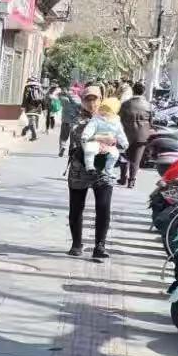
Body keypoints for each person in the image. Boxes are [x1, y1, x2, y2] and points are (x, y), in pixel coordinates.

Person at [66, 84, 125, 260]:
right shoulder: (77, 118)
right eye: (88, 99)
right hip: (80, 167)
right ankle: (76, 244)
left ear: (101, 99)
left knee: (103, 207)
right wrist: (102, 137)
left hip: (103, 169)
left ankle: (100, 246)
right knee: (76, 207)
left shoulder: (112, 117)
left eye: (95, 99)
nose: (91, 103)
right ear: (82, 101)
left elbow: (120, 139)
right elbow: (79, 136)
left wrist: (113, 142)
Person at [80, 97, 127, 177]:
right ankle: (90, 167)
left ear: (113, 111)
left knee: (114, 155)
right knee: (90, 150)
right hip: (96, 140)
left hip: (109, 143)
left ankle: (109, 170)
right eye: (103, 109)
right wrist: (86, 135)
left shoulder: (116, 122)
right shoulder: (96, 119)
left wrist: (124, 142)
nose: (104, 111)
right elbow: (90, 128)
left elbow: (120, 133)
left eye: (107, 110)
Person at [119, 82, 154, 187]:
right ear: (144, 92)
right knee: (136, 160)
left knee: (124, 157)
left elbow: (119, 119)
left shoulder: (125, 104)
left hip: (126, 134)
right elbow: (151, 122)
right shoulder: (148, 105)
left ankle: (123, 178)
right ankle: (131, 181)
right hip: (141, 136)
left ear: (133, 90)